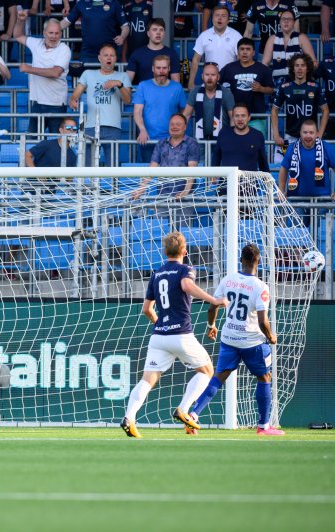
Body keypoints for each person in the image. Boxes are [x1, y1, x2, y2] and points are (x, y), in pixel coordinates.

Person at [120, 232, 226, 438]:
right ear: (184, 252)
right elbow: (187, 285)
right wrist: (213, 300)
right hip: (181, 335)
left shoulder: (157, 273)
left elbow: (146, 309)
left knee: (147, 380)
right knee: (206, 371)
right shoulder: (185, 268)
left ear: (164, 251)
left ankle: (129, 417)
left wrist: (160, 323)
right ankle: (184, 409)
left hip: (159, 336)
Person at [188, 244, 284, 436]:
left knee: (218, 377)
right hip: (252, 342)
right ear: (258, 262)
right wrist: (271, 336)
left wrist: (211, 326)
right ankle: (263, 427)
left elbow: (212, 307)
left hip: (229, 338)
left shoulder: (228, 280)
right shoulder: (261, 287)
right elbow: (262, 320)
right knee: (264, 377)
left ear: (241, 260)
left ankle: (193, 414)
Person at [70, 43, 132, 166]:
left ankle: (111, 186)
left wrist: (118, 84)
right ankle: (88, 186)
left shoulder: (123, 76)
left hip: (113, 126)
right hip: (91, 126)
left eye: (112, 55)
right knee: (88, 165)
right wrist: (73, 100)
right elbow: (75, 95)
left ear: (116, 58)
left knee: (112, 167)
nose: (109, 58)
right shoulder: (88, 73)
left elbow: (127, 100)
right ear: (99, 58)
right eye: (106, 55)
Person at [12, 12, 71, 134]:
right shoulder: (36, 43)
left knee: (57, 144)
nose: (54, 36)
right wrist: (20, 20)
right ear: (44, 33)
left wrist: (29, 69)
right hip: (37, 103)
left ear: (61, 34)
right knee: (32, 142)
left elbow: (55, 73)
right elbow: (17, 35)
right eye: (51, 33)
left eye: (57, 33)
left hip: (56, 105)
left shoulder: (64, 49)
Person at [271, 53, 328, 163]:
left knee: (309, 165)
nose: (300, 68)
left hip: (309, 136)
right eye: (297, 65)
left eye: (303, 65)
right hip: (290, 137)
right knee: (280, 163)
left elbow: (325, 111)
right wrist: (276, 135)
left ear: (307, 68)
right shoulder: (284, 87)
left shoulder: (315, 87)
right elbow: (274, 110)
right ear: (292, 68)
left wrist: (319, 133)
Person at [132, 114, 200, 200]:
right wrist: (140, 189)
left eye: (178, 124)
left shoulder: (191, 143)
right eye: (172, 124)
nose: (174, 127)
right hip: (163, 194)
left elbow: (192, 167)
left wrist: (186, 191)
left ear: (185, 127)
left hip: (185, 197)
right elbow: (152, 167)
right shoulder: (161, 143)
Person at [132, 55, 186, 163]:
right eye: (158, 68)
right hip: (147, 139)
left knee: (169, 177)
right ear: (153, 68)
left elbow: (184, 112)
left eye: (164, 68)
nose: (161, 71)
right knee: (148, 177)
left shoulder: (177, 87)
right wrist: (142, 130)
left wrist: (179, 131)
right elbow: (137, 112)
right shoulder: (143, 86)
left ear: (169, 69)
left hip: (171, 140)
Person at [219, 37, 273, 137]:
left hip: (256, 117)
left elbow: (271, 90)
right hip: (234, 118)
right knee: (235, 148)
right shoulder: (229, 68)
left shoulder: (262, 69)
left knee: (259, 147)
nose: (244, 52)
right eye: (242, 49)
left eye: (248, 49)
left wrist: (261, 88)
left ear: (253, 52)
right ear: (237, 52)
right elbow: (216, 83)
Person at [278, 119, 335, 201]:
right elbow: (283, 169)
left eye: (311, 132)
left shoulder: (327, 147)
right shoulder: (291, 148)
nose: (308, 136)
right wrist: (281, 190)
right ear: (300, 133)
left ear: (317, 134)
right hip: (296, 199)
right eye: (305, 132)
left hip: (323, 199)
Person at [189, 5, 242, 91]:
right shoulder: (204, 36)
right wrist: (191, 82)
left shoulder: (236, 36)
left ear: (228, 20)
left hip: (231, 82)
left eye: (223, 16)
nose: (220, 18)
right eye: (217, 15)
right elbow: (195, 60)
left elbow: (241, 61)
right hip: (210, 82)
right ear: (212, 19)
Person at [62, 0, 129, 64]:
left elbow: (125, 26)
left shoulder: (114, 3)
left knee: (109, 75)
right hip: (88, 54)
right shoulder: (81, 3)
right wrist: (52, 27)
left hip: (109, 54)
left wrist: (122, 36)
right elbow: (66, 22)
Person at [212, 103, 270, 177]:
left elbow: (263, 162)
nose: (240, 119)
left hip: (249, 186)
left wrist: (268, 183)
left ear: (249, 117)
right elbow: (216, 155)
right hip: (226, 185)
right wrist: (213, 174)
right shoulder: (223, 133)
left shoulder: (258, 135)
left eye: (243, 116)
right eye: (237, 116)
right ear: (232, 118)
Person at [261, 10, 316, 86]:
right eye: (283, 19)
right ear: (279, 22)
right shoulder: (272, 39)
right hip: (278, 83)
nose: (286, 21)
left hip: (298, 83)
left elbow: (314, 63)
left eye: (289, 19)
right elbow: (264, 64)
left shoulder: (301, 38)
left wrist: (301, 73)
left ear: (294, 22)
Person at [183, 62, 235, 140]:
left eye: (213, 75)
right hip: (200, 139)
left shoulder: (226, 93)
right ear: (202, 76)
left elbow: (233, 118)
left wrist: (232, 138)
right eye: (207, 75)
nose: (210, 78)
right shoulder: (195, 91)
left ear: (218, 77)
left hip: (222, 139)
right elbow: (186, 115)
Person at [125, 17, 181, 85]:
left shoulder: (172, 54)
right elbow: (127, 83)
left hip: (164, 93)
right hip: (144, 94)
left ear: (164, 33)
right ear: (148, 33)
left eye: (161, 30)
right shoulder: (137, 54)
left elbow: (176, 84)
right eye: (154, 30)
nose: (158, 33)